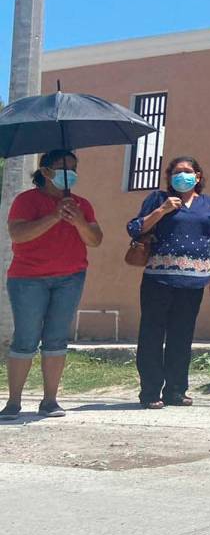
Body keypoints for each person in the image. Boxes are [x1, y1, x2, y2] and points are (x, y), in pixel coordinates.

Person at [2, 151, 102, 420]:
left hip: (70, 278)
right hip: (28, 279)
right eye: (64, 167)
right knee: (26, 338)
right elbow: (18, 234)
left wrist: (78, 220)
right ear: (46, 172)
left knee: (56, 339)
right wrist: (55, 216)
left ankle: (50, 401)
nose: (71, 173)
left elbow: (95, 240)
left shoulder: (81, 204)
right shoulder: (26, 200)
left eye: (74, 168)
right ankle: (13, 402)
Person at [126, 156, 210, 409]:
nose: (181, 176)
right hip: (158, 279)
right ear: (169, 177)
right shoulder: (158, 199)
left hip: (193, 282)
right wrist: (161, 211)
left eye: (187, 171)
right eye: (176, 172)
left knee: (181, 336)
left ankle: (176, 390)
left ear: (198, 176)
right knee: (151, 334)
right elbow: (134, 228)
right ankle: (150, 392)